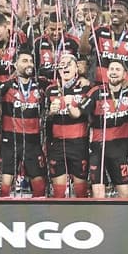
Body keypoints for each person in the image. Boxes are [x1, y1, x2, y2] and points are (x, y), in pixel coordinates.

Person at [0, 48, 48, 198]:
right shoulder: (7, 85)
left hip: (33, 141)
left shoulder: (40, 85)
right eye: (24, 61)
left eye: (30, 61)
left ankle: (38, 215)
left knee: (39, 183)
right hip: (10, 140)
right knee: (5, 183)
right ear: (15, 64)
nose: (29, 64)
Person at [70, 60, 128, 198]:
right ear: (107, 73)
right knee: (98, 194)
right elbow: (77, 113)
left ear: (125, 74)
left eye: (118, 69)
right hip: (98, 149)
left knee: (125, 195)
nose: (113, 72)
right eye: (111, 69)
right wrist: (69, 103)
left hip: (120, 151)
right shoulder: (96, 92)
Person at [46, 53, 91, 198]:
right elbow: (45, 119)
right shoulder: (50, 90)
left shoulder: (85, 88)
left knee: (80, 191)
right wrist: (50, 113)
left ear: (76, 68)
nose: (65, 67)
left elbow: (83, 114)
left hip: (78, 143)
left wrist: (70, 102)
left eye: (69, 64)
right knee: (58, 191)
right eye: (62, 64)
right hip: (57, 143)